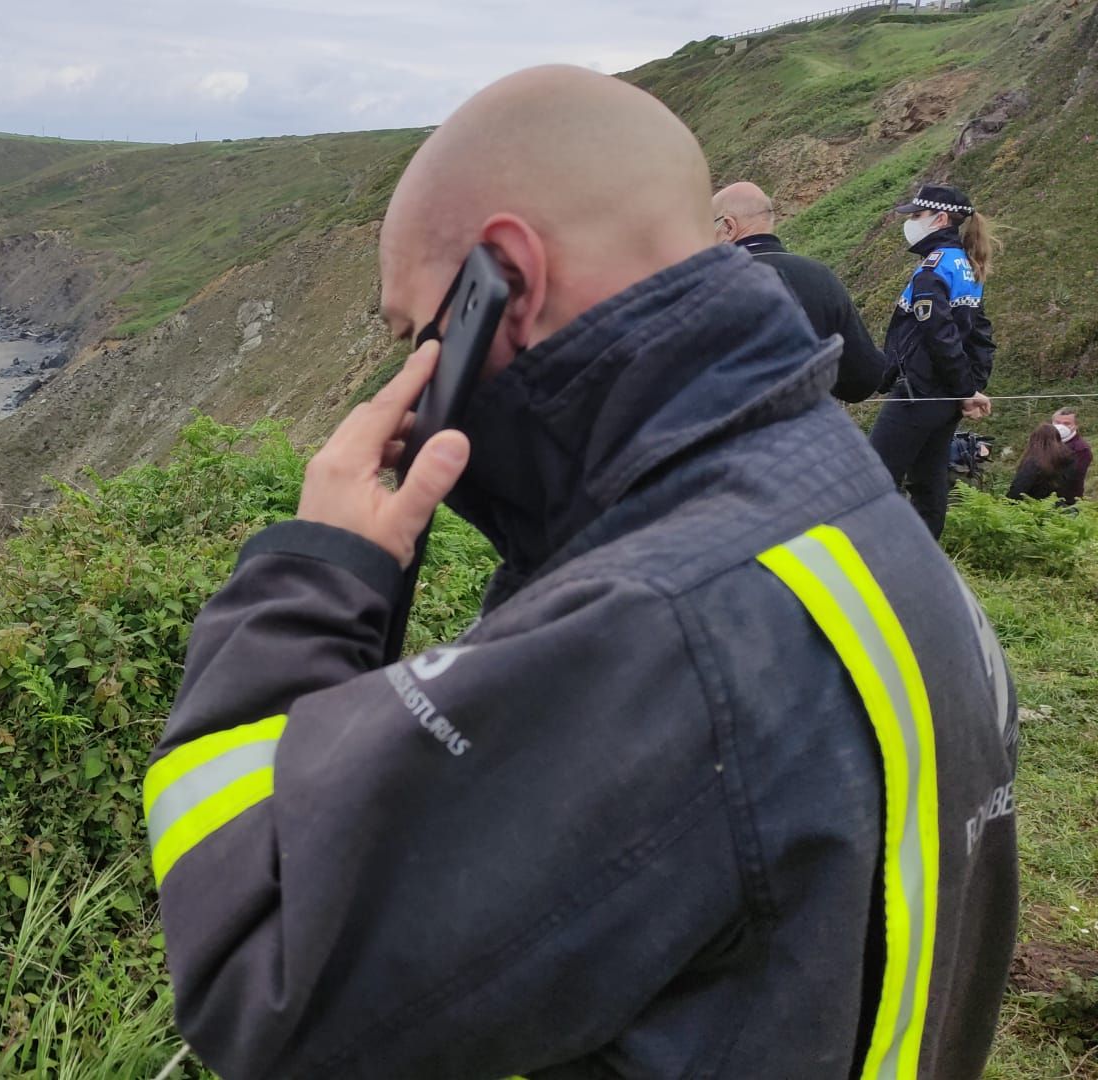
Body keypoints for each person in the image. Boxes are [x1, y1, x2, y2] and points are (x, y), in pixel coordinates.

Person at [147, 67, 1017, 1079]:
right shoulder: (846, 514)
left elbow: (262, 978)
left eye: (415, 333)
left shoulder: (665, 624)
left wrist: (315, 577)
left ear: (501, 283)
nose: (407, 389)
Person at [867, 183, 1000, 538]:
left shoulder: (933, 269)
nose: (910, 222)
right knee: (929, 480)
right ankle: (925, 562)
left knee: (871, 477)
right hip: (944, 399)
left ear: (940, 218)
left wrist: (966, 390)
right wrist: (969, 388)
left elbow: (939, 337)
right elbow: (980, 336)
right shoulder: (966, 266)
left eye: (916, 215)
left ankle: (867, 556)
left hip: (919, 393)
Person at [712, 181, 888, 402]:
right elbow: (862, 379)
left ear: (728, 227)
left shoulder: (709, 285)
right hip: (811, 429)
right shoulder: (820, 276)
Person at [1008, 422, 1082, 505]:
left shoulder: (1033, 461)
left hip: (1033, 508)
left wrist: (1007, 504)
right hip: (1062, 507)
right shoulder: (1069, 459)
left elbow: (1020, 486)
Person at [1055, 406, 1091, 498]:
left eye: (1066, 424)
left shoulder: (1081, 449)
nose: (1061, 427)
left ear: (1076, 426)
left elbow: (1072, 478)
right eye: (1057, 423)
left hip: (1068, 501)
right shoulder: (1046, 442)